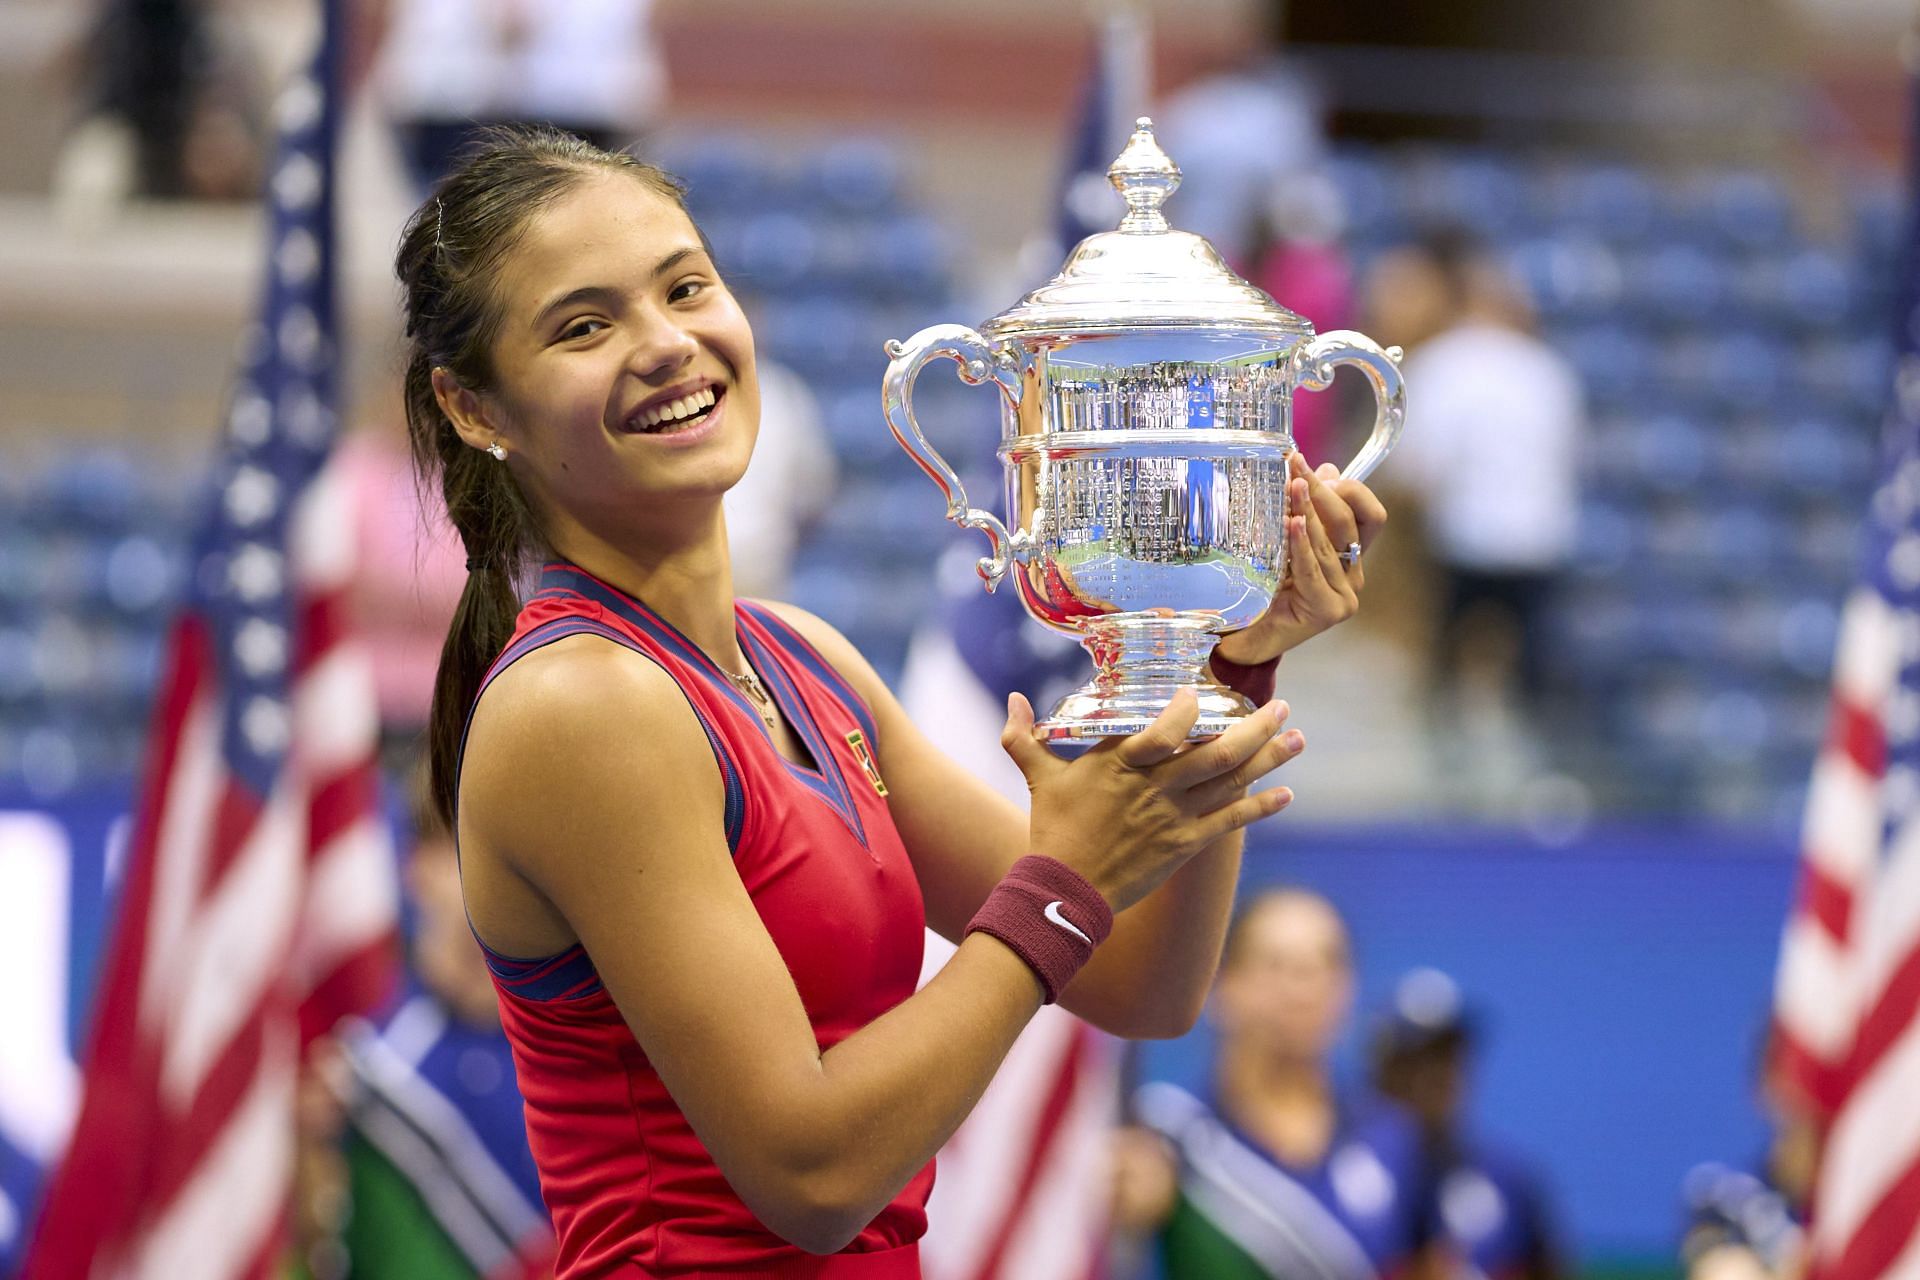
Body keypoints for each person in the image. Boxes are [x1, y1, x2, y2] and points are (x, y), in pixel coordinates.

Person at [394, 125, 1387, 1277]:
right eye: (584, 324)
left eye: (685, 287)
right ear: (475, 407)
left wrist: (1218, 670)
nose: (666, 345)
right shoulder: (582, 703)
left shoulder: (802, 657)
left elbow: (1139, 982)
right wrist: (1061, 881)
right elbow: (810, 1175)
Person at [1113, 889, 1445, 1280]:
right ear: (1221, 986)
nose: (1302, 990)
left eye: (1325, 964)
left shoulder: (1397, 1138)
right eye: (1277, 965)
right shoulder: (1162, 1132)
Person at [1369, 969, 1564, 1280]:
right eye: (1420, 1058)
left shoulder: (1510, 1181)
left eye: (1450, 1056)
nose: (1438, 1075)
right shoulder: (1343, 1173)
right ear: (1383, 1067)